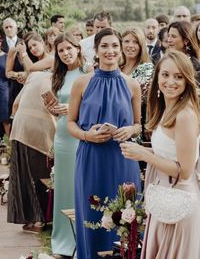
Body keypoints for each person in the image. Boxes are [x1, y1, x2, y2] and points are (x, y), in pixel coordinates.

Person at [120, 51, 200, 258]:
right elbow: (171, 152)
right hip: (164, 201)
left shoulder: (184, 116)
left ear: (187, 81)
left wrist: (145, 156)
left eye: (178, 76)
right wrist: (140, 151)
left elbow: (184, 171)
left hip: (181, 205)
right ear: (157, 77)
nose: (170, 81)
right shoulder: (166, 109)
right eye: (165, 75)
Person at [68, 28, 142, 259]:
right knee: (91, 216)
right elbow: (70, 122)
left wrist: (129, 129)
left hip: (123, 158)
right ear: (96, 51)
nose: (110, 51)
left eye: (114, 47)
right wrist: (86, 136)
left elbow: (139, 125)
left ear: (121, 51)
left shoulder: (132, 85)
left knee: (125, 217)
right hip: (91, 158)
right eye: (105, 46)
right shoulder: (82, 83)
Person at [46, 34, 85, 257]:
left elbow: (91, 105)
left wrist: (69, 109)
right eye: (61, 51)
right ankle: (62, 239)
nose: (66, 53)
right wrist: (53, 109)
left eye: (69, 48)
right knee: (63, 188)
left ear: (78, 48)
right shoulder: (58, 75)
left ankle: (82, 237)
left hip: (80, 135)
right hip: (62, 136)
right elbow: (55, 106)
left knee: (79, 185)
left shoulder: (88, 73)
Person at [7, 69, 55, 234]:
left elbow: (15, 105)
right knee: (43, 174)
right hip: (45, 130)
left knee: (27, 175)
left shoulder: (35, 75)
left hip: (22, 127)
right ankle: (41, 219)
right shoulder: (57, 77)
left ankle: (36, 219)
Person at [121, 27, 154, 130]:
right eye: (126, 41)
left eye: (135, 42)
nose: (130, 45)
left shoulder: (146, 68)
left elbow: (146, 99)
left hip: (136, 124)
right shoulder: (117, 67)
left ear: (141, 46)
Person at [2, 18, 24, 115]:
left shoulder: (23, 43)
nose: (9, 29)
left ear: (16, 28)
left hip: (19, 83)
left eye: (11, 27)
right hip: (3, 83)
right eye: (6, 27)